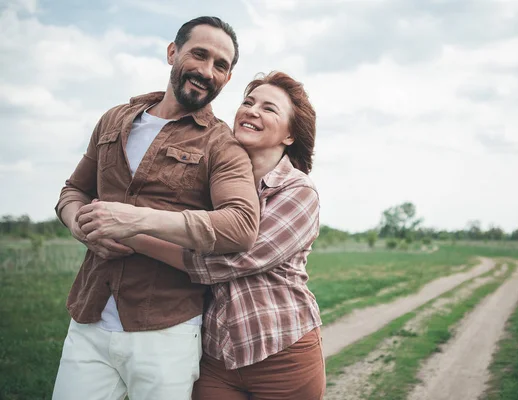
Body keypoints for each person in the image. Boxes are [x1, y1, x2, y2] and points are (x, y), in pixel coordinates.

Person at [52, 17, 260, 400]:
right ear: (172, 53)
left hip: (167, 330)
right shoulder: (114, 119)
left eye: (220, 65)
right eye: (199, 54)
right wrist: (81, 227)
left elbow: (241, 225)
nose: (206, 71)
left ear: (227, 79)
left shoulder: (222, 145)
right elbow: (73, 191)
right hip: (89, 318)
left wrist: (134, 220)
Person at [119, 71, 325, 399]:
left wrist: (131, 234)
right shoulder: (211, 186)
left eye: (269, 108)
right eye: (247, 102)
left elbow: (229, 262)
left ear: (289, 135)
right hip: (217, 356)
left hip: (282, 351)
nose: (252, 110)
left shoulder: (298, 191)